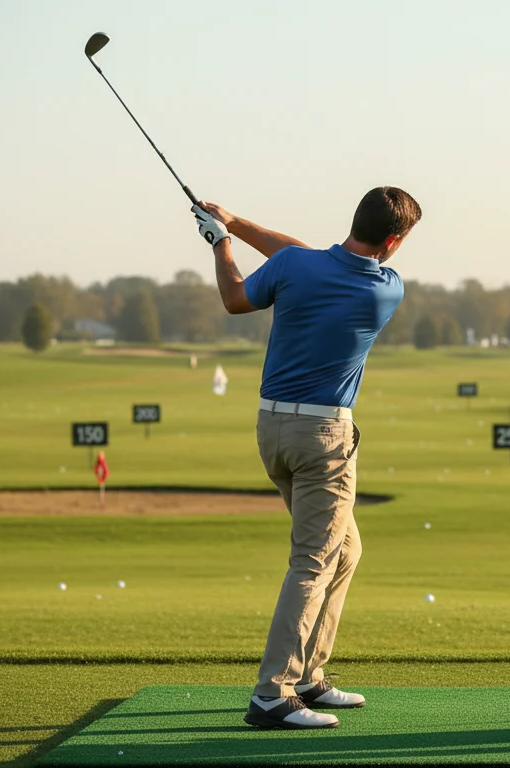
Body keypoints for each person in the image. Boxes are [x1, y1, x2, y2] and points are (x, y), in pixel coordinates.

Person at [190, 187, 422, 729]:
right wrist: (232, 228)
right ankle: (272, 693)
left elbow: (239, 296)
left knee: (346, 551)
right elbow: (302, 256)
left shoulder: (297, 267)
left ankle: (309, 675)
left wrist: (223, 238)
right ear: (392, 242)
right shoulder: (385, 288)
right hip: (324, 440)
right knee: (314, 562)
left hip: (273, 430)